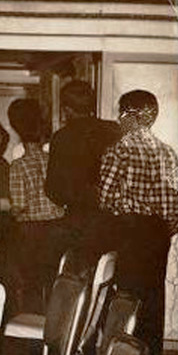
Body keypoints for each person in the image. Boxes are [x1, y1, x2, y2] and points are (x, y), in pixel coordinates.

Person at [96, 90, 178, 355]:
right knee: (152, 305)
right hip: (158, 234)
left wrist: (124, 212)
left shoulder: (119, 150)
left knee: (126, 302)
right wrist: (162, 229)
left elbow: (105, 198)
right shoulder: (168, 153)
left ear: (127, 115)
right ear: (153, 116)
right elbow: (174, 206)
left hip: (130, 231)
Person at [45, 80, 121, 263]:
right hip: (115, 222)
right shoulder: (115, 130)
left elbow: (54, 190)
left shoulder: (62, 138)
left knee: (75, 272)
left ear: (67, 109)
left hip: (79, 224)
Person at [7, 99, 67, 313]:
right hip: (58, 228)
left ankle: (32, 326)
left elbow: (19, 206)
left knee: (30, 284)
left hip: (32, 233)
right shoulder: (55, 160)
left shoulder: (18, 166)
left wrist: (9, 211)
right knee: (53, 282)